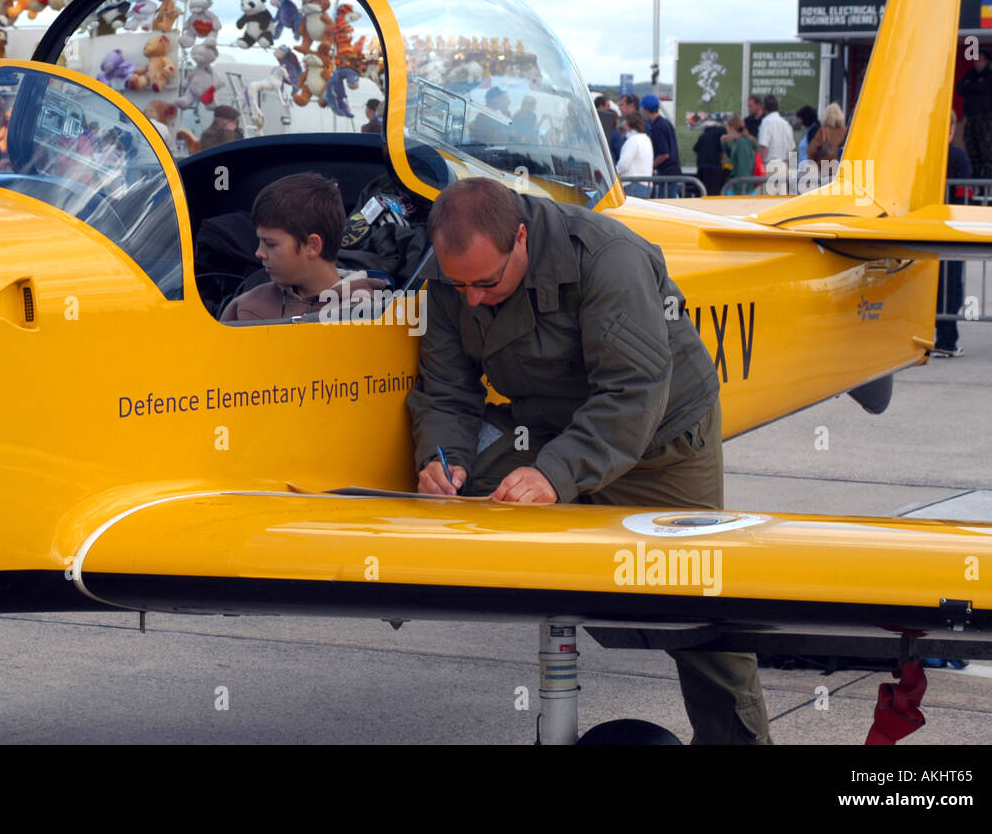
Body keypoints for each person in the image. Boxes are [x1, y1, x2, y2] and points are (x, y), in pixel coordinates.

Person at [408, 178, 771, 744]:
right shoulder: (449, 275)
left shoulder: (609, 257)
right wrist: (444, 459)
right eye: (460, 285)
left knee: (699, 607)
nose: (471, 298)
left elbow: (633, 392)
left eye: (485, 282)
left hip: (659, 442)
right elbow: (447, 391)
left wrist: (555, 475)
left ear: (522, 238)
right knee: (457, 493)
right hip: (547, 427)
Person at [221, 172, 389, 322]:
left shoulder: (370, 315)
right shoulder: (244, 308)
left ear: (312, 245)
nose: (259, 253)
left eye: (270, 244)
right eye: (260, 242)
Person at [934, 114, 973, 358]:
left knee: (934, 286)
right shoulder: (958, 157)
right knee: (951, 286)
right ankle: (947, 340)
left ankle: (934, 336)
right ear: (951, 128)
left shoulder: (925, 157)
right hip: (951, 228)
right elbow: (963, 193)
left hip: (925, 229)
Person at [956, 57, 992, 179]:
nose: (977, 63)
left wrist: (971, 86)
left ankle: (987, 175)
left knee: (985, 147)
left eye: (980, 60)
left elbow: (983, 88)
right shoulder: (970, 73)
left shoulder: (990, 75)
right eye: (976, 60)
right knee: (971, 145)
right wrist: (975, 85)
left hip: (984, 117)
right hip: (970, 117)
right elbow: (960, 88)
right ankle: (976, 172)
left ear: (986, 61)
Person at [641, 94, 680, 198]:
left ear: (646, 109)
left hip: (666, 173)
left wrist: (651, 166)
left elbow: (664, 154)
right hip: (674, 170)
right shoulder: (666, 122)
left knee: (666, 203)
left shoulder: (657, 127)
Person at [756, 94, 795, 193]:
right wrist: (792, 171)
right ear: (778, 107)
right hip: (784, 166)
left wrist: (760, 167)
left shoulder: (766, 122)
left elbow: (763, 147)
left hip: (770, 167)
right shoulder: (786, 124)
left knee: (768, 203)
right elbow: (792, 150)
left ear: (764, 108)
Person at [806, 103, 847, 184]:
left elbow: (811, 151)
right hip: (842, 170)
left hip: (825, 171)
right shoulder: (846, 132)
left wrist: (814, 167)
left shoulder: (823, 132)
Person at [616, 111, 653, 197]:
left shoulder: (632, 140)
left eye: (625, 122)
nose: (624, 125)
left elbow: (624, 164)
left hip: (633, 185)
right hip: (645, 185)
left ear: (629, 124)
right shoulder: (646, 139)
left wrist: (613, 172)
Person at [721, 116, 757, 194]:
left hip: (742, 189)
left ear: (731, 128)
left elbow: (743, 167)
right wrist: (725, 144)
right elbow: (734, 158)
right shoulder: (739, 142)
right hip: (742, 187)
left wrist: (740, 190)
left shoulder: (742, 143)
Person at [692, 115, 726, 196]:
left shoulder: (703, 135)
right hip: (714, 166)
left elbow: (695, 149)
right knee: (713, 192)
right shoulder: (721, 131)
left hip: (702, 166)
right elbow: (722, 149)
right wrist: (721, 161)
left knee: (702, 191)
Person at [596, 95, 623, 162]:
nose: (609, 108)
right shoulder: (613, 132)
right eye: (607, 106)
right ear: (600, 107)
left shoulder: (593, 126)